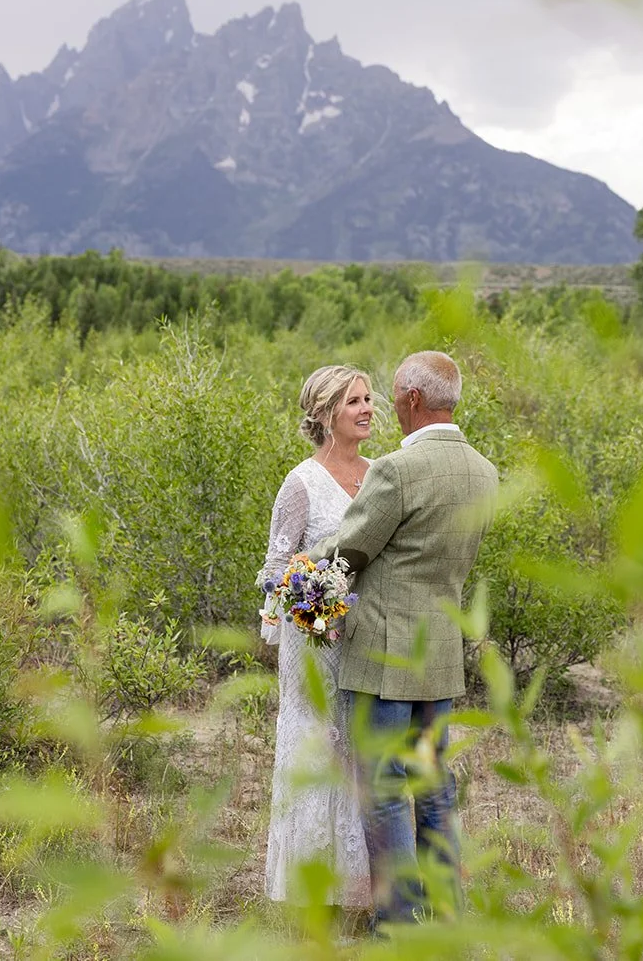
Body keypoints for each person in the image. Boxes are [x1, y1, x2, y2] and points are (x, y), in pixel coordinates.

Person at [310, 350, 499, 931]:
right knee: (435, 787)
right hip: (440, 654)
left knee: (385, 791)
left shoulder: (396, 470)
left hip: (384, 659)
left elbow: (349, 550)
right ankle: (448, 914)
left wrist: (299, 575)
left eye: (392, 397)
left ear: (414, 400)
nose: (388, 408)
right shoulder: (484, 472)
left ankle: (395, 925)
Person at [255, 365, 375, 912]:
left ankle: (360, 887)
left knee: (359, 747)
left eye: (370, 398)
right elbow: (277, 567)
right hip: (317, 641)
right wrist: (316, 610)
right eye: (355, 401)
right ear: (327, 414)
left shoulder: (380, 475)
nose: (368, 409)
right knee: (318, 742)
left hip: (369, 638)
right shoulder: (299, 482)